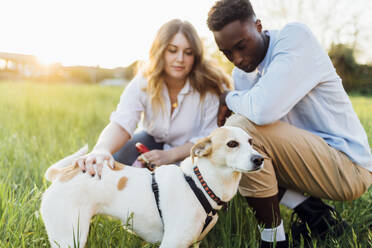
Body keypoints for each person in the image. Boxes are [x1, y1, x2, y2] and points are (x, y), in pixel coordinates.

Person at [207, 0, 372, 247]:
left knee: (239, 131)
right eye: (227, 53)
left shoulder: (294, 39)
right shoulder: (242, 75)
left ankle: (275, 241)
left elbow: (263, 111)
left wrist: (228, 97)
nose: (237, 59)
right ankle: (307, 214)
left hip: (348, 167)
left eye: (241, 46)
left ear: (258, 26)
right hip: (305, 163)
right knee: (235, 150)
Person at [75, 19, 231, 178]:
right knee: (129, 146)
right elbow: (122, 122)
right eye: (172, 50)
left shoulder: (210, 88)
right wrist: (102, 149)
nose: (180, 59)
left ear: (196, 56)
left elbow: (210, 139)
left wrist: (170, 155)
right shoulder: (143, 82)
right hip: (151, 147)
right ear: (160, 50)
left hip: (195, 157)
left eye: (188, 52)